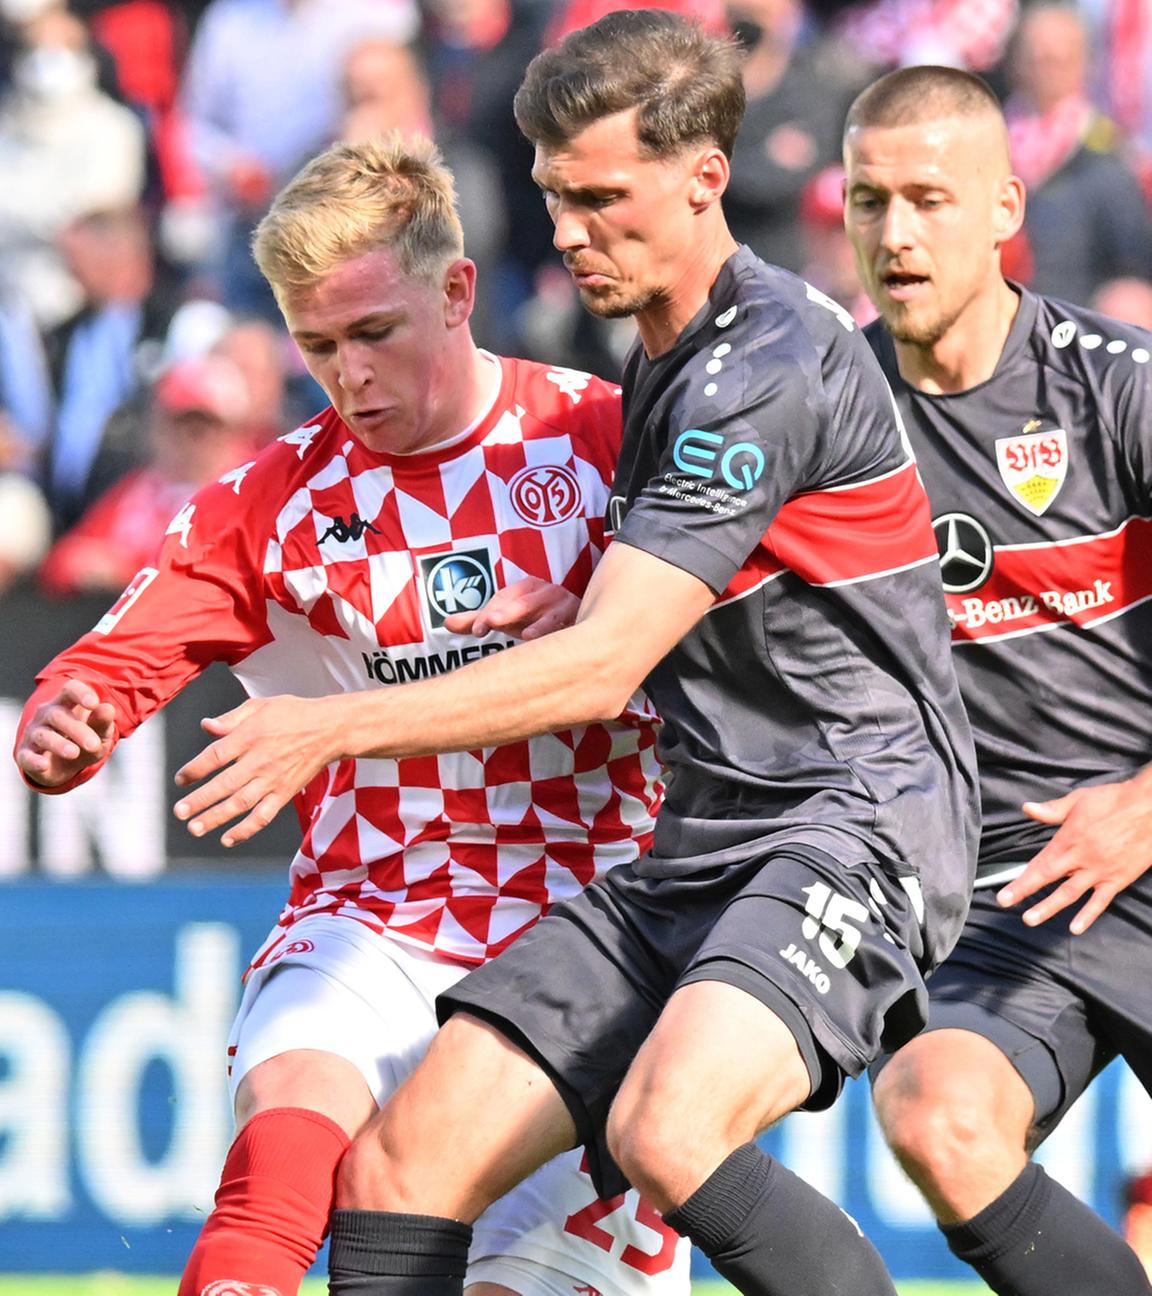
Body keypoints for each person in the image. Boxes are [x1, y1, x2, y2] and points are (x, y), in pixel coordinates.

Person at [167, 12, 980, 1295]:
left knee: (668, 1129)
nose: (566, 232)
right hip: (701, 840)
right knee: (397, 1170)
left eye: (601, 198)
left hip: (854, 821)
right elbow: (690, 604)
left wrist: (328, 726)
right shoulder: (660, 353)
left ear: (706, 178)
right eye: (552, 197)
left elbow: (606, 670)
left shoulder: (759, 360)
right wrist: (570, 606)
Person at [14, 133, 691, 1296]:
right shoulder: (272, 495)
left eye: (374, 333)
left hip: (595, 933)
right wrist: (66, 716)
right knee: (275, 1169)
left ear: (459, 290)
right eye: (316, 345)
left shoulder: (602, 438)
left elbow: (748, 652)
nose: (351, 376)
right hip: (375, 910)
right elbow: (114, 659)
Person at [843, 63, 1152, 1296]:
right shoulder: (829, 412)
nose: (897, 234)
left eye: (928, 197)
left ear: (1006, 208)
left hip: (1147, 831)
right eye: (870, 202)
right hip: (1005, 895)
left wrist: (1146, 804)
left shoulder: (1116, 386)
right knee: (933, 1111)